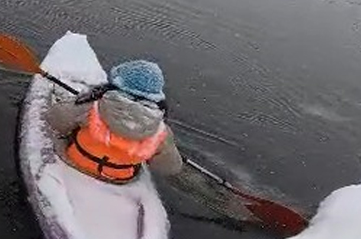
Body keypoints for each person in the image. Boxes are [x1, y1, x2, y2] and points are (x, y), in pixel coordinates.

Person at [46, 60, 253, 221]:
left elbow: (56, 120)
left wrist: (75, 104)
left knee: (68, 130)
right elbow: (170, 169)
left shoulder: (94, 107)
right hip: (120, 178)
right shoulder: (160, 131)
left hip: (75, 162)